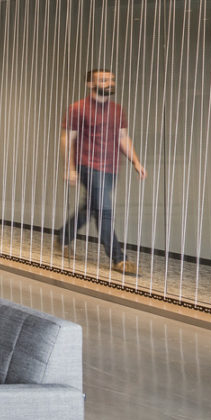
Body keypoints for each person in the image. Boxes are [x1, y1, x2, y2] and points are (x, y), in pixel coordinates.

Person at [57, 67, 147, 275]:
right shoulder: (77, 109)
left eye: (111, 80)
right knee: (104, 210)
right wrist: (70, 168)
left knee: (91, 208)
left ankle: (63, 237)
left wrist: (136, 161)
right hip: (88, 165)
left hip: (111, 168)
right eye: (104, 80)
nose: (109, 83)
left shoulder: (117, 110)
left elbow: (123, 138)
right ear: (91, 84)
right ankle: (119, 258)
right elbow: (66, 138)